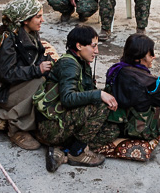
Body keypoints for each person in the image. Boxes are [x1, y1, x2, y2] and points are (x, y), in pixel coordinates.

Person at [35, 26, 122, 171]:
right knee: (101, 105)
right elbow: (67, 98)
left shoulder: (81, 61)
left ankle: (63, 151)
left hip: (63, 121)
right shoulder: (70, 64)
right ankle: (77, 152)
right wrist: (99, 94)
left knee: (112, 130)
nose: (97, 51)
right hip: (51, 126)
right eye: (93, 46)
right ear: (79, 46)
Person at [0, 0, 52, 150]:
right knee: (39, 83)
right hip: (0, 90)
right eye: (38, 16)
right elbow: (7, 74)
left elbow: (36, 55)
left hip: (13, 82)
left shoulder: (29, 32)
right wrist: (37, 70)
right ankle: (17, 129)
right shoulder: (7, 41)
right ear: (24, 20)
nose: (42, 20)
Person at [105, 34, 160, 140]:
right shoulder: (150, 82)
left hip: (118, 125)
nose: (154, 57)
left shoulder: (115, 70)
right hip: (140, 131)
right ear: (139, 57)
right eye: (151, 54)